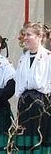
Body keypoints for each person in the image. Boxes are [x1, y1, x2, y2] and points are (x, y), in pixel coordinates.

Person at [13, 22, 51, 152]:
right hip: (24, 103)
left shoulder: (48, 57)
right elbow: (18, 80)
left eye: (29, 34)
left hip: (41, 103)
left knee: (39, 135)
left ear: (39, 36)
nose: (25, 38)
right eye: (24, 35)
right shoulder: (23, 58)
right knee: (24, 136)